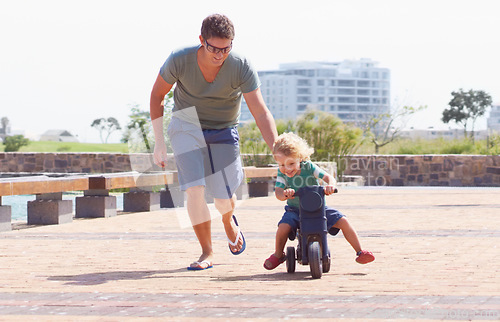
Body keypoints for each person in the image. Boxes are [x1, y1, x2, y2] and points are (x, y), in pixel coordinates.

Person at [150, 14, 278, 271]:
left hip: (223, 129)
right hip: (186, 125)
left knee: (222, 198)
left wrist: (277, 148)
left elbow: (260, 111)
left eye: (226, 48)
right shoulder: (179, 59)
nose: (220, 55)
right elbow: (157, 96)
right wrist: (159, 142)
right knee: (194, 189)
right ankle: (206, 252)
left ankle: (228, 221)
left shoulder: (241, 65)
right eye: (213, 48)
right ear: (201, 40)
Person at [263, 133, 375, 270]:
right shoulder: (282, 174)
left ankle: (360, 251)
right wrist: (285, 194)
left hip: (317, 208)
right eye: (281, 164)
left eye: (291, 163)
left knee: (343, 221)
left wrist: (331, 185)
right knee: (283, 228)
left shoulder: (308, 167)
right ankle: (278, 254)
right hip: (295, 210)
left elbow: (328, 177)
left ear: (300, 158)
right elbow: (278, 193)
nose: (287, 168)